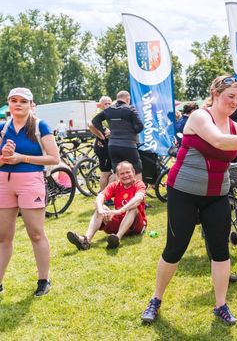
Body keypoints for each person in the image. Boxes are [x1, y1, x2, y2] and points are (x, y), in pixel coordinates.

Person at [141, 75, 237, 325]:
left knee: (220, 250)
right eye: (230, 97)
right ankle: (156, 299)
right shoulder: (199, 116)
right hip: (184, 192)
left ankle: (221, 305)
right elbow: (218, 141)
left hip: (216, 196)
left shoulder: (235, 127)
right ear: (215, 94)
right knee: (175, 248)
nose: (235, 102)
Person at [0, 87, 60, 297]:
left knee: (35, 233)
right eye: (14, 100)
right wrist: (5, 156)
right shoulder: (2, 127)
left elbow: (54, 158)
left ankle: (44, 280)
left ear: (31, 105)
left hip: (31, 182)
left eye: (23, 101)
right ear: (9, 104)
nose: (18, 104)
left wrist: (21, 158)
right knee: (3, 237)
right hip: (4, 183)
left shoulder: (40, 126)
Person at [67, 161, 147, 250]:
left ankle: (117, 238)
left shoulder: (139, 184)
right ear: (117, 176)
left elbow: (138, 199)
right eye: (122, 173)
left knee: (133, 208)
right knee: (101, 208)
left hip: (136, 225)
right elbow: (100, 196)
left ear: (134, 172)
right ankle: (86, 240)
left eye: (128, 172)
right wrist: (100, 210)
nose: (125, 175)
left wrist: (120, 211)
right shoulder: (115, 185)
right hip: (119, 222)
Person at [92, 90, 144, 180]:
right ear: (127, 99)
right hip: (129, 145)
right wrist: (131, 132)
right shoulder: (130, 109)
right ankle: (139, 189)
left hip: (113, 146)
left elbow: (95, 121)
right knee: (137, 171)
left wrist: (105, 130)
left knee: (118, 172)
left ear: (117, 98)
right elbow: (140, 126)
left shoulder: (108, 110)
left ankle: (118, 189)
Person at [88, 96, 114, 192]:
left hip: (109, 144)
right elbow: (90, 125)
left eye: (109, 103)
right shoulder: (99, 112)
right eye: (105, 104)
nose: (107, 105)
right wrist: (101, 136)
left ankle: (106, 193)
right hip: (102, 146)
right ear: (100, 105)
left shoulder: (109, 112)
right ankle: (104, 195)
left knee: (110, 172)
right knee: (105, 173)